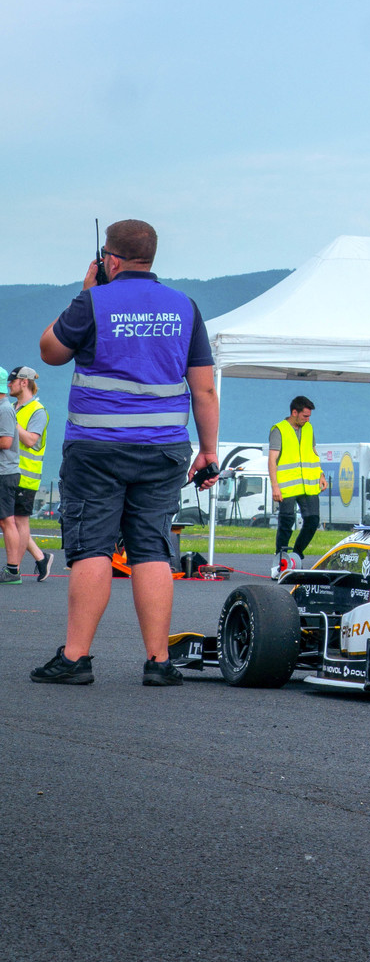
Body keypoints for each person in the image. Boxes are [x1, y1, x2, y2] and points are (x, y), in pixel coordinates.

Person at [30, 219, 220, 686]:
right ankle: (159, 661)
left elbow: (50, 351)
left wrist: (85, 291)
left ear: (109, 259)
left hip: (97, 449)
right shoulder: (185, 307)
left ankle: (75, 659)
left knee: (92, 547)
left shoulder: (94, 302)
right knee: (151, 549)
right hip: (163, 451)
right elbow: (204, 390)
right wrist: (208, 450)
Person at [7, 365, 55, 581]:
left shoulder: (38, 411)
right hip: (9, 473)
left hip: (25, 477)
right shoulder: (13, 408)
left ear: (24, 382)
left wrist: (10, 422)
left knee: (19, 522)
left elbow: (30, 440)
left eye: (12, 381)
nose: (9, 385)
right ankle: (40, 557)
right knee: (9, 521)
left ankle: (14, 569)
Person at [269, 395, 327, 562]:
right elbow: (272, 460)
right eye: (305, 416)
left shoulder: (308, 428)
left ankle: (296, 554)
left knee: (313, 520)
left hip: (309, 485)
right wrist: (275, 486)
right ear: (294, 412)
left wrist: (321, 474)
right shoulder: (279, 430)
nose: (307, 419)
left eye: (309, 416)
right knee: (286, 523)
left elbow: (313, 453)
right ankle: (280, 558)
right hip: (287, 487)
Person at [0, 367, 21, 584]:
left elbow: (5, 442)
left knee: (7, 521)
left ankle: (13, 570)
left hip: (4, 473)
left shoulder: (4, 409)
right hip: (4, 472)